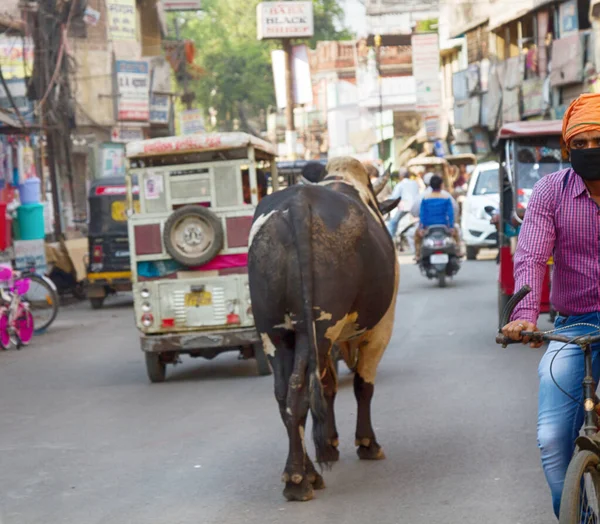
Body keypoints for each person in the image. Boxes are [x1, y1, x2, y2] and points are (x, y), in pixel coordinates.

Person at [501, 93, 600, 518]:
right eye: (580, 144)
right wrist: (523, 317)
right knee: (552, 437)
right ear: (567, 150)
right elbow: (531, 255)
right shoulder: (550, 192)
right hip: (573, 326)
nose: (590, 150)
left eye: (599, 140)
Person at [414, 175, 460, 260]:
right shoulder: (446, 198)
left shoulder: (425, 199)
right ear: (441, 185)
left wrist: (421, 228)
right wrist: (451, 227)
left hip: (428, 226)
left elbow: (423, 215)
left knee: (416, 236)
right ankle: (458, 251)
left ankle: (417, 254)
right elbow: (450, 214)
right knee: (457, 234)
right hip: (444, 225)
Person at [386, 170, 419, 238]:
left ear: (400, 176)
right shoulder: (415, 183)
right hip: (416, 207)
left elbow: (394, 197)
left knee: (393, 223)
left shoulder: (400, 184)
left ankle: (391, 239)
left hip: (405, 207)